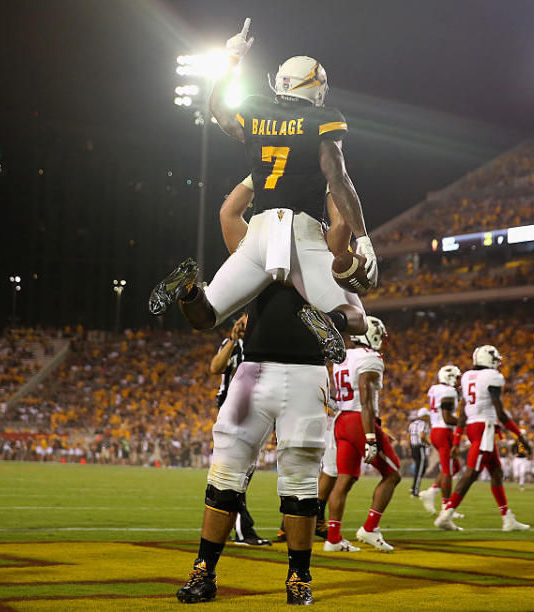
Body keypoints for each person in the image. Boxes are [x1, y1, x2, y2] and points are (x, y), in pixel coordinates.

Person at [175, 168, 359, 605]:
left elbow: (341, 231)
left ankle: (293, 577)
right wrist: (270, 167)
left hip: (294, 370)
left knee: (291, 480)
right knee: (231, 475)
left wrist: (323, 176)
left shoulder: (312, 241)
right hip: (259, 369)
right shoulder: (257, 244)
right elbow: (229, 212)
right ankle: (213, 572)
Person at [149, 19, 373, 364]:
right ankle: (327, 322)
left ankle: (187, 289)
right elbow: (338, 177)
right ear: (314, 88)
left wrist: (230, 63)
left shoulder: (256, 111)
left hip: (259, 234)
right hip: (302, 235)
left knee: (206, 315)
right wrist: (364, 237)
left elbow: (219, 113)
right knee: (355, 318)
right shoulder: (322, 119)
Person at [434, 345, 532, 532]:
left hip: (473, 427)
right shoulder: (492, 377)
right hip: (484, 428)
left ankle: (507, 518)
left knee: (496, 472)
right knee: (471, 473)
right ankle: (446, 514)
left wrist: (456, 441)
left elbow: (462, 413)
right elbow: (501, 413)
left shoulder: (467, 376)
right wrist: (520, 435)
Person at [324, 317, 401, 552]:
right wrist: (370, 437)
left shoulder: (343, 356)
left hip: (342, 420)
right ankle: (370, 528)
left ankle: (333, 538)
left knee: (344, 479)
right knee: (393, 473)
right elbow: (366, 401)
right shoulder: (370, 358)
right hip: (359, 420)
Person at [209, 314, 271, 547]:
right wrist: (233, 340)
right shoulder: (234, 344)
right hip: (233, 412)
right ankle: (243, 531)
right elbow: (216, 367)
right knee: (237, 475)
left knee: (243, 474)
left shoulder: (264, 346)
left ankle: (230, 528)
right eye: (243, 322)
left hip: (255, 412)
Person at [419, 365, 464, 516]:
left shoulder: (434, 389)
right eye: (457, 377)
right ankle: (446, 507)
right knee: (448, 470)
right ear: (450, 377)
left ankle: (431, 492)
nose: (459, 381)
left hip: (436, 430)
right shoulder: (448, 391)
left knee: (454, 467)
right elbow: (447, 417)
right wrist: (464, 422)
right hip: (444, 431)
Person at [407, 408, 430, 497]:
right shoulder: (423, 423)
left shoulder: (412, 424)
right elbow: (422, 436)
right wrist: (429, 443)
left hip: (413, 447)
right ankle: (415, 491)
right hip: (420, 448)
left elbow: (408, 437)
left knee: (420, 468)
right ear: (423, 416)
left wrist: (410, 448)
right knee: (420, 469)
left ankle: (413, 487)